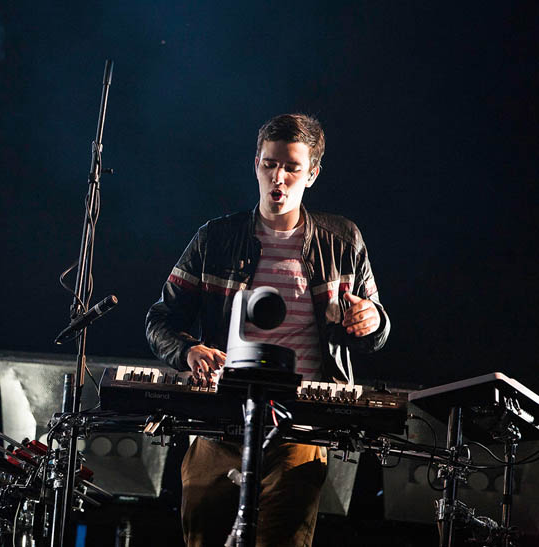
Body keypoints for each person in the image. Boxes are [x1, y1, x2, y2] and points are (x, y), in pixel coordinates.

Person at [145, 113, 390, 546]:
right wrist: (190, 352)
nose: (278, 177)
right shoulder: (215, 238)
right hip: (220, 421)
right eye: (269, 164)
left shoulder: (344, 240)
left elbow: (375, 327)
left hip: (299, 427)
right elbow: (161, 319)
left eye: (292, 167)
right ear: (255, 163)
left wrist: (372, 320)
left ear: (312, 174)